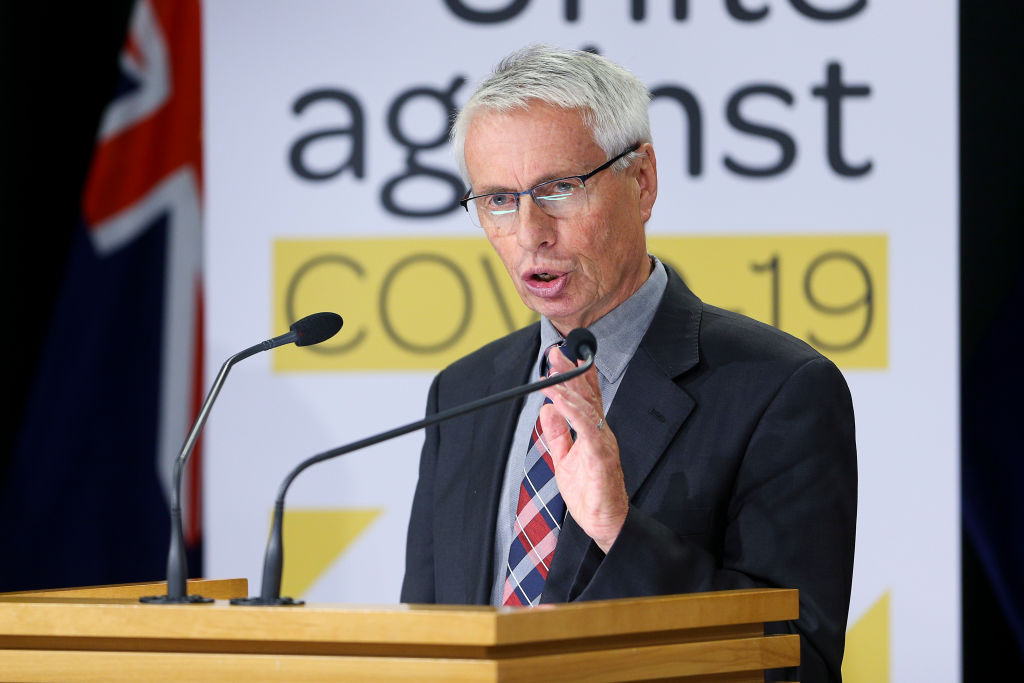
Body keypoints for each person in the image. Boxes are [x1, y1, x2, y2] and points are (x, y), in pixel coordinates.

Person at [401, 45, 856, 683]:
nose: (531, 231)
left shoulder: (778, 389)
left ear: (641, 182)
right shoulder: (464, 392)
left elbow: (796, 662)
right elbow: (426, 632)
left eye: (558, 189)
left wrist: (619, 527)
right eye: (499, 200)